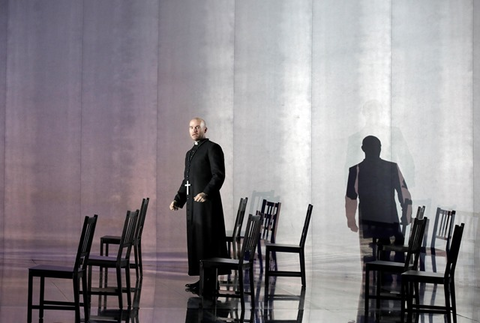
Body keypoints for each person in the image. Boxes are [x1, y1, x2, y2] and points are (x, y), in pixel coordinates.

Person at [169, 117, 229, 295]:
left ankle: (210, 282)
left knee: (208, 242)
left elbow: (218, 175)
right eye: (191, 127)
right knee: (198, 241)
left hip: (207, 206)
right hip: (194, 207)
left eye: (197, 127)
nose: (194, 130)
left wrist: (206, 192)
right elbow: (187, 181)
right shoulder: (190, 153)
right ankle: (203, 279)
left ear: (205, 130)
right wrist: (178, 199)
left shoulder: (213, 148)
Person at [345, 135, 412, 263]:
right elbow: (403, 193)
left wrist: (351, 219)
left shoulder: (356, 170)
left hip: (369, 219)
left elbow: (351, 197)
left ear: (363, 149)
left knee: (372, 253)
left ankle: (380, 270)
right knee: (395, 245)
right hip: (389, 218)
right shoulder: (391, 167)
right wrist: (406, 214)